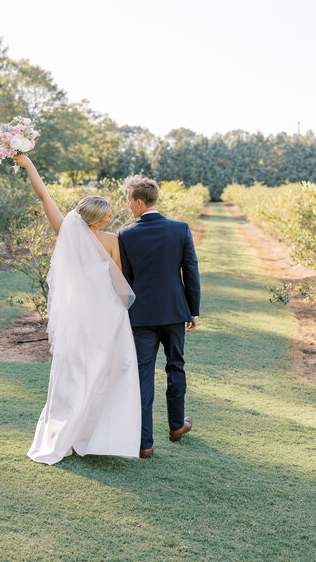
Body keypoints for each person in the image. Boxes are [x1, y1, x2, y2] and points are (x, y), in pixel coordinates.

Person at [13, 154, 141, 465]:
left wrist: (29, 164)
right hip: (106, 318)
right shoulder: (111, 240)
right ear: (101, 219)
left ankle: (64, 436)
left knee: (71, 376)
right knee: (107, 375)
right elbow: (119, 284)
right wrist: (122, 314)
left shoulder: (65, 231)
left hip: (73, 318)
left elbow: (44, 195)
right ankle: (96, 436)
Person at [118, 175, 201, 458]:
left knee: (143, 377)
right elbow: (190, 270)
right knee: (175, 366)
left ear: (140, 202)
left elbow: (126, 280)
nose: (127, 205)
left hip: (141, 317)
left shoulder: (125, 235)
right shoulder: (180, 229)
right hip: (175, 312)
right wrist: (194, 310)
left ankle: (144, 444)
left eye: (129, 200)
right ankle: (176, 426)